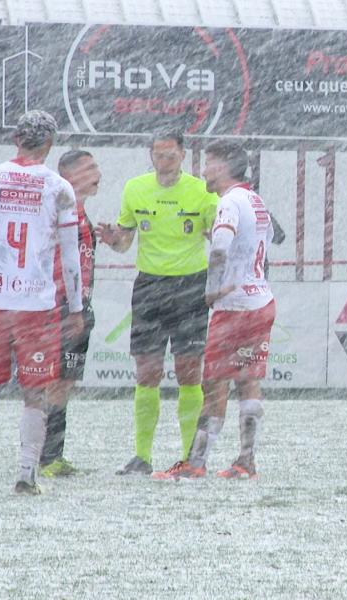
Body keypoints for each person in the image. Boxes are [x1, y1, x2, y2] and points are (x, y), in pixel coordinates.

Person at [0, 110, 84, 496]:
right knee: (35, 391)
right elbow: (71, 256)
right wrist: (76, 307)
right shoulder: (59, 187)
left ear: (15, 139)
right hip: (37, 305)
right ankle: (26, 474)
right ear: (49, 144)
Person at [95, 132, 219, 476]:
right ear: (150, 155)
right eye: (157, 155)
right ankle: (142, 456)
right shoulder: (135, 189)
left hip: (190, 287)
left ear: (182, 155)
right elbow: (124, 243)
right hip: (149, 286)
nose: (163, 162)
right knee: (147, 372)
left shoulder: (202, 192)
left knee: (189, 374)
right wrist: (112, 239)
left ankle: (189, 458)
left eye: (170, 156)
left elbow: (218, 237)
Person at [153, 140, 275, 481]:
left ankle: (196, 463)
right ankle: (246, 462)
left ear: (223, 167)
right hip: (260, 300)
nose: (203, 171)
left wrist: (211, 291)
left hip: (234, 305)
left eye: (208, 164)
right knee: (249, 382)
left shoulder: (228, 202)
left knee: (214, 385)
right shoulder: (255, 200)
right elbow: (260, 242)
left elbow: (221, 247)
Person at [38, 150, 101, 478]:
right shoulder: (60, 209)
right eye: (89, 167)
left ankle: (52, 455)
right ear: (68, 174)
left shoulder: (79, 211)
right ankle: (45, 457)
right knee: (54, 383)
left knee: (64, 382)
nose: (97, 173)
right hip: (61, 307)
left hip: (78, 306)